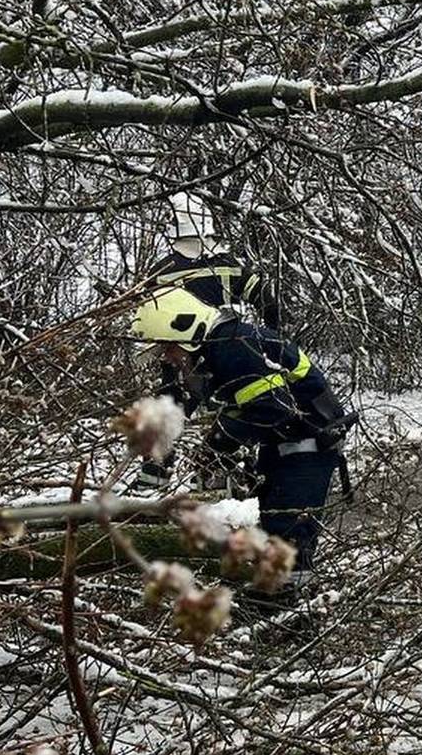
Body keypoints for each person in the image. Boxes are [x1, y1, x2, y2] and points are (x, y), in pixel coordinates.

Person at [130, 287, 354, 581]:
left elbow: (273, 409)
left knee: (288, 540)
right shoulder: (221, 348)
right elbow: (243, 404)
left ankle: (295, 614)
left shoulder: (235, 348)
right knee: (270, 532)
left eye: (168, 347)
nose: (169, 357)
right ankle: (276, 602)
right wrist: (211, 445)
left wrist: (222, 439)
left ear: (185, 329)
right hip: (285, 448)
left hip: (306, 449)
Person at [134, 192, 285, 491]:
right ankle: (226, 477)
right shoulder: (231, 264)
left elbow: (145, 315)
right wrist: (271, 342)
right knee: (233, 413)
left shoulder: (161, 271)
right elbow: (269, 303)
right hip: (230, 353)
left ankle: (151, 485)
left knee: (167, 415)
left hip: (180, 359)